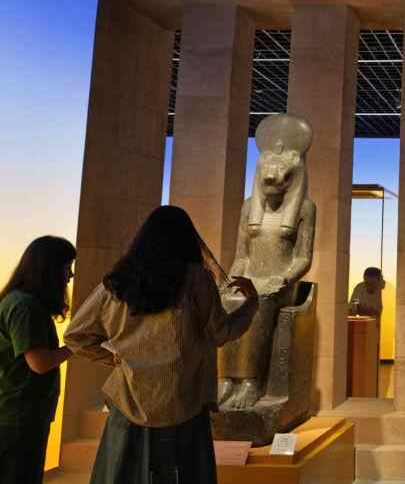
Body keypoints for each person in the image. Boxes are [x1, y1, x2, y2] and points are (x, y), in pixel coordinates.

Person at [65, 206, 259, 484]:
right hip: (183, 402)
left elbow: (76, 335)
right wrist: (250, 305)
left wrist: (115, 358)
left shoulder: (120, 281)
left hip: (129, 402)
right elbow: (220, 332)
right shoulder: (196, 279)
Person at [0, 236, 76, 484]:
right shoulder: (25, 306)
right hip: (19, 419)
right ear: (49, 269)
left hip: (24, 417)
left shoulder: (23, 303)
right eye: (67, 267)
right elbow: (40, 363)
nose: (71, 275)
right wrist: (77, 346)